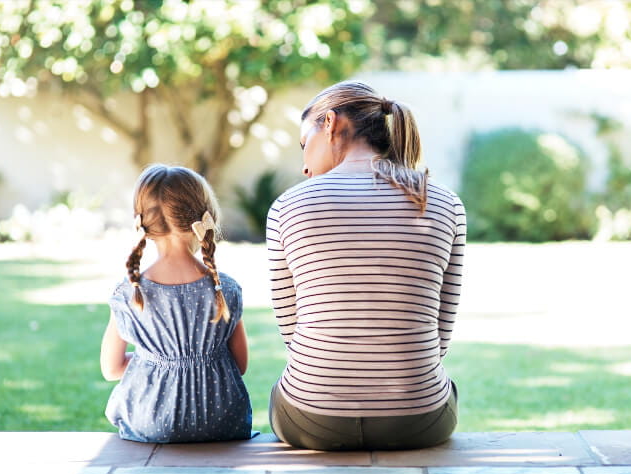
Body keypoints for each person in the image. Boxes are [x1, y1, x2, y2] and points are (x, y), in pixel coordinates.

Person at [266, 81, 466, 450]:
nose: (304, 165)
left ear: (329, 123)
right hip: (418, 420)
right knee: (445, 387)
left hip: (311, 420)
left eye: (303, 144)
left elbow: (292, 333)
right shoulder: (443, 202)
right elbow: (440, 334)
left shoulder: (287, 207)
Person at [100, 164, 252, 443]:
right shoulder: (226, 289)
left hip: (151, 422)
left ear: (143, 222)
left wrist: (155, 360)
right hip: (222, 421)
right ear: (204, 217)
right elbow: (240, 364)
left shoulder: (129, 293)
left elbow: (111, 369)